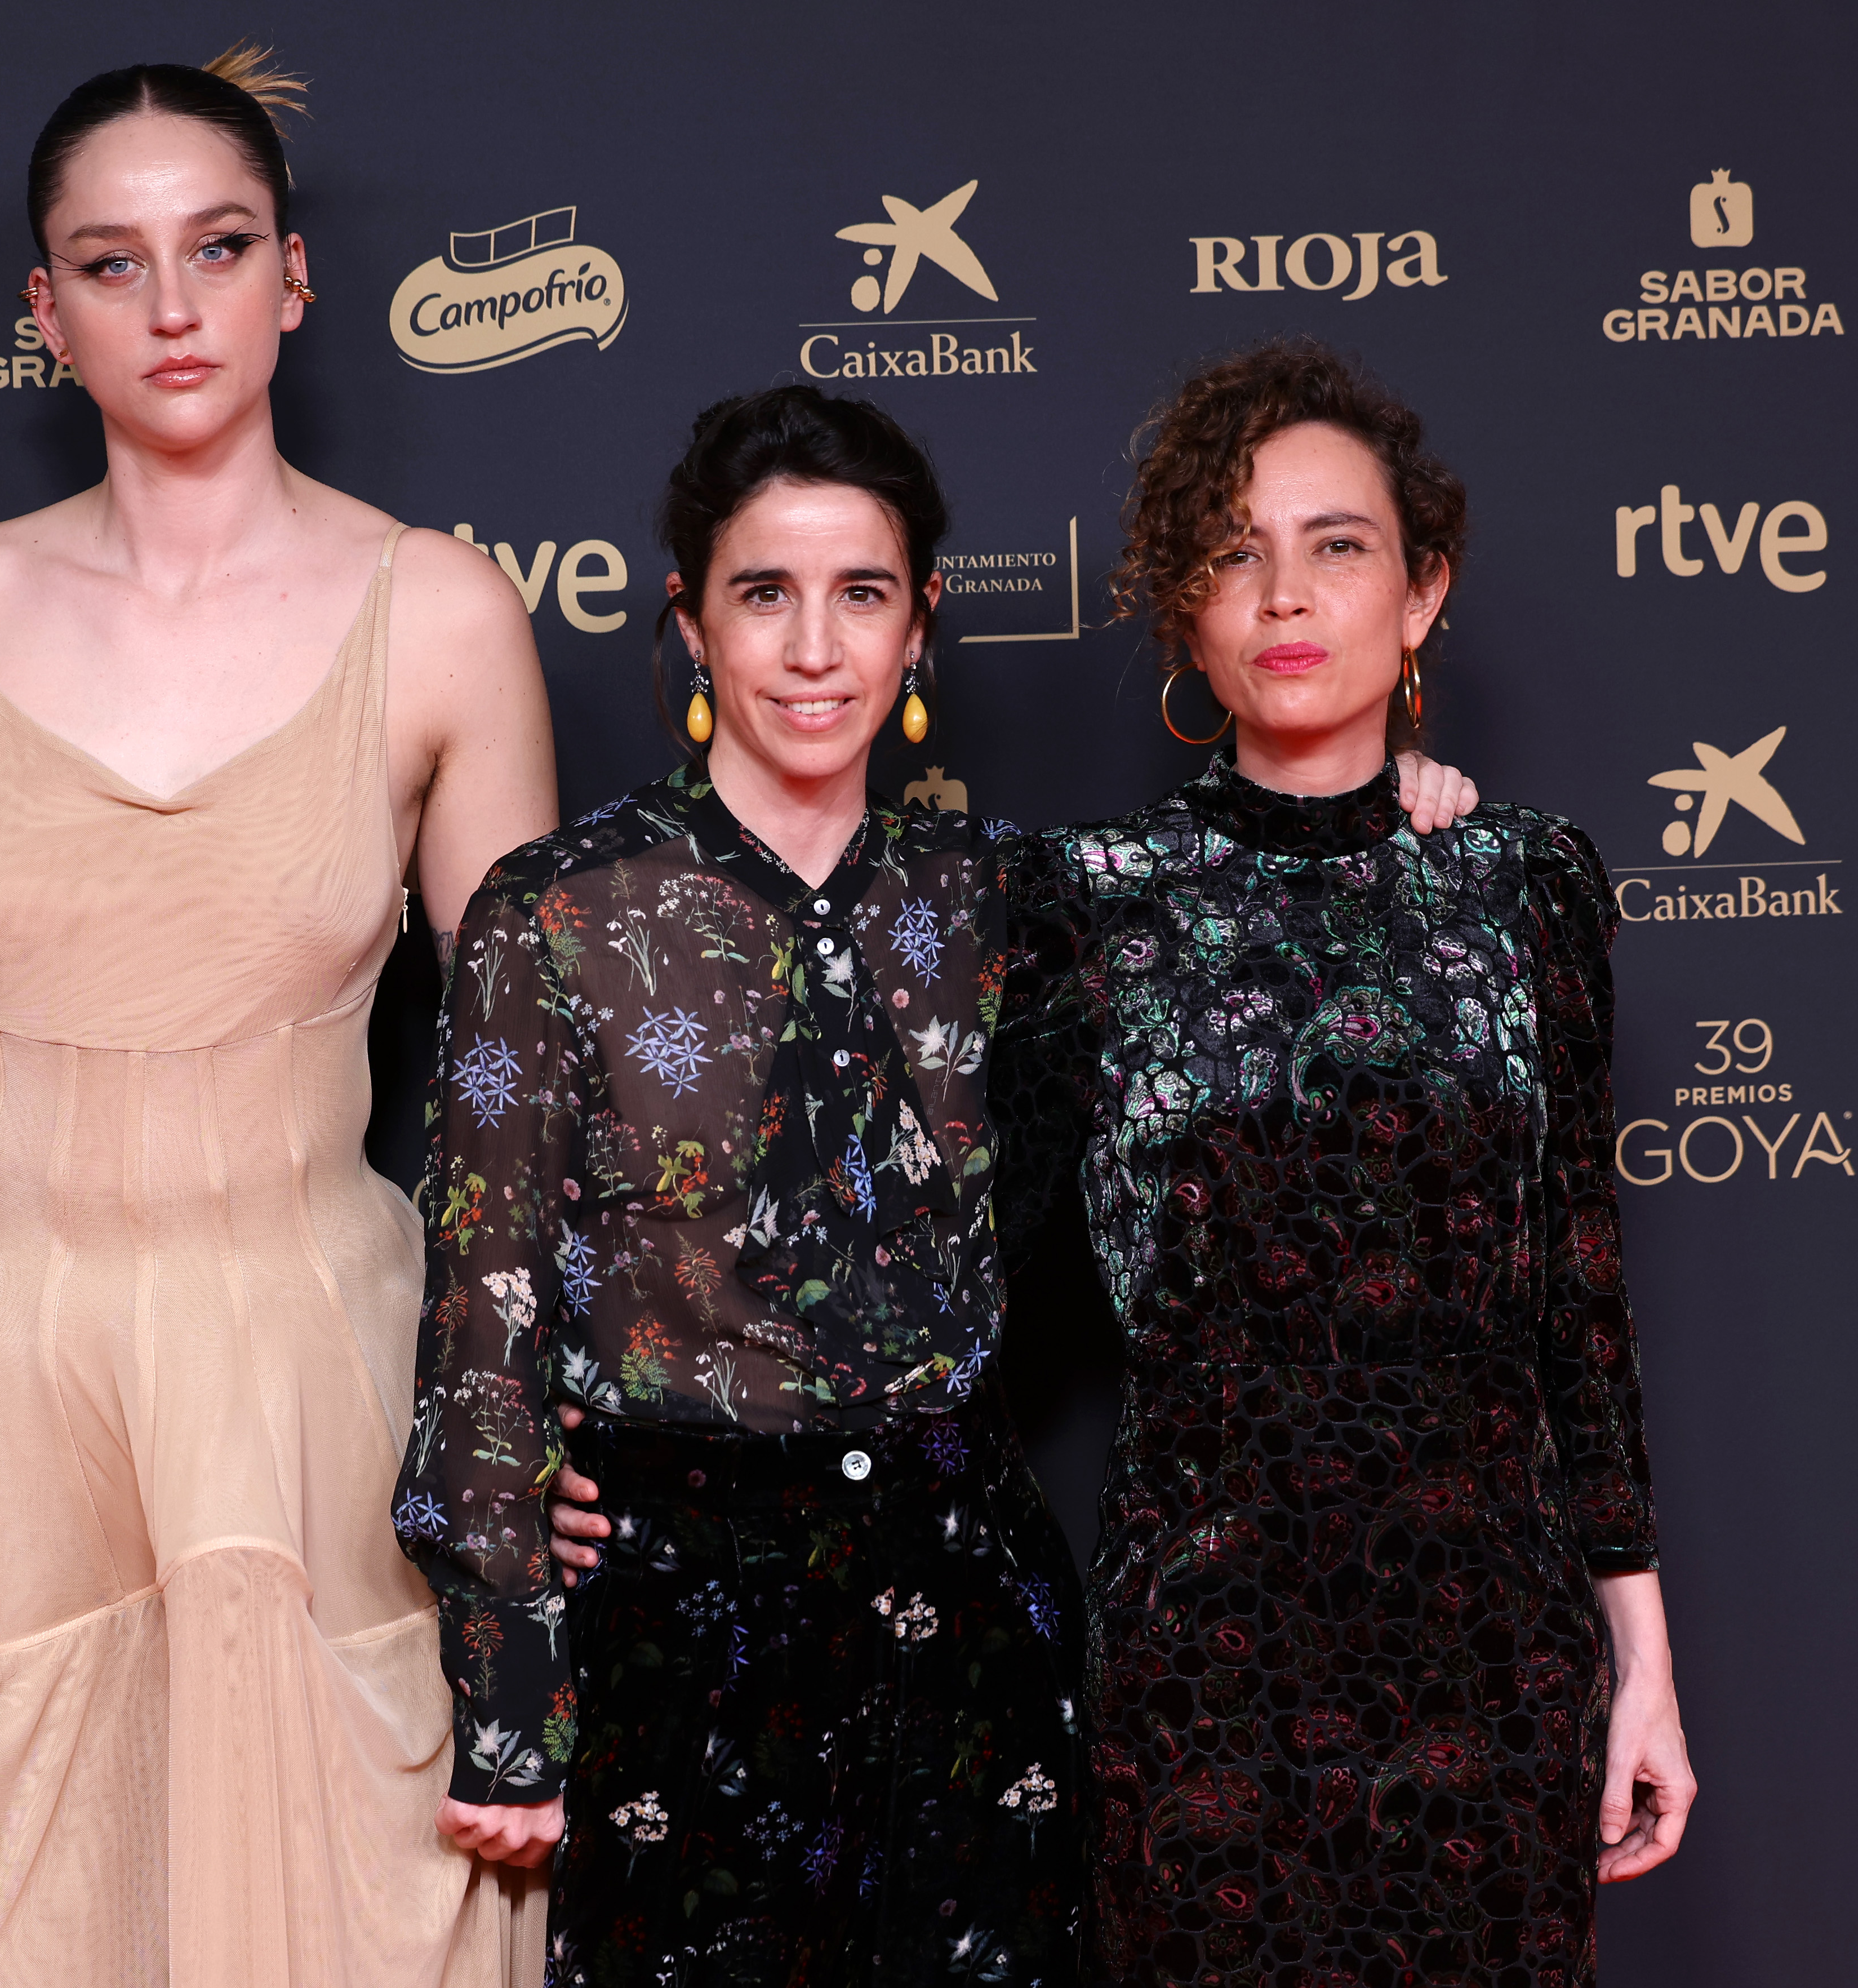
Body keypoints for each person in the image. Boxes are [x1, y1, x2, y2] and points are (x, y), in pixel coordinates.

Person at [406, 386, 1481, 1986]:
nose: (814, 647)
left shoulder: (1018, 903)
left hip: (969, 1618)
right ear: (690, 629)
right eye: (764, 594)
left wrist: (1398, 801)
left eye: (863, 595)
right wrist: (512, 1709)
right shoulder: (557, 914)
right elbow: (480, 1308)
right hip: (679, 1631)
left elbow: (1257, 925)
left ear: (920, 630)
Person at [0, 54, 554, 1988]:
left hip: (297, 1384)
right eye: (112, 262)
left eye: (218, 248)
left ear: (293, 281)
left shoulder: (438, 618)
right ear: (46, 313)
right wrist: (29, 1291)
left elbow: (522, 1082)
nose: (172, 308)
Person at [995, 336, 1696, 1985]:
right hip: (1202, 1672)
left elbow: (1577, 1303)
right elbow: (963, 1296)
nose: (1285, 597)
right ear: (1185, 609)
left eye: (1335, 547)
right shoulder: (1082, 900)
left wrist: (1640, 1661)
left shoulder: (1524, 887)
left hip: (1491, 1658)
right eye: (1232, 556)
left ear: (1421, 592)